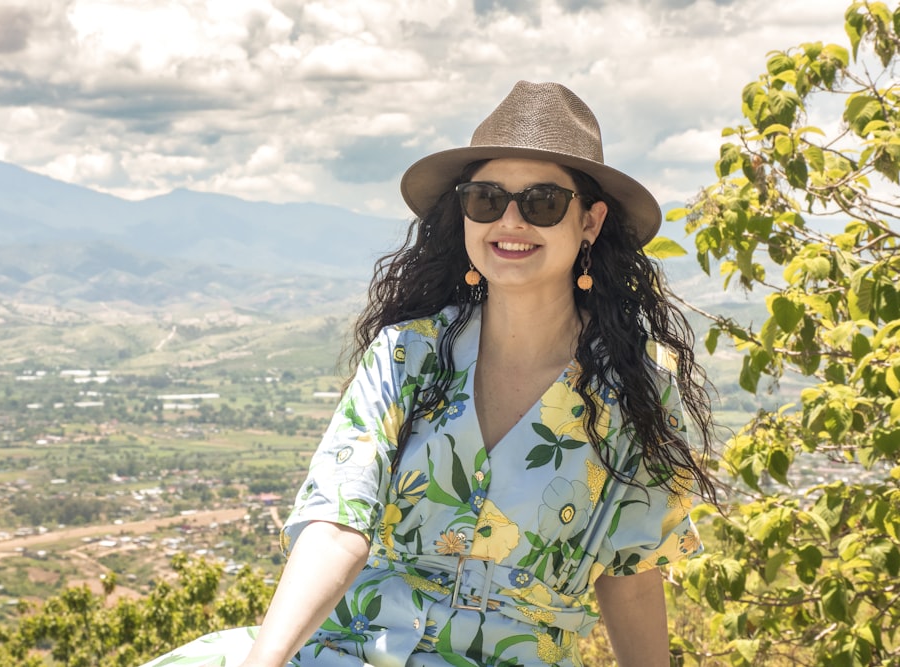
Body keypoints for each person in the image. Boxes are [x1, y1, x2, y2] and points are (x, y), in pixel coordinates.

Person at [140, 80, 717, 667]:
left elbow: (631, 575)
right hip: (347, 650)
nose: (510, 222)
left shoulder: (637, 388)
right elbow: (338, 525)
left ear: (590, 222)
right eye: (486, 200)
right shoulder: (405, 354)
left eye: (542, 202)